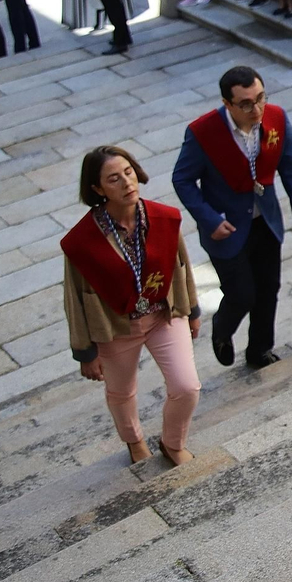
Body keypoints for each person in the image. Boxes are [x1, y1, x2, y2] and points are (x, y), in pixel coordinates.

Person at [62, 145, 202, 467]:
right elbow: (74, 296)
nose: (127, 183)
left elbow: (183, 264)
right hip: (116, 327)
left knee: (187, 385)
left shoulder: (164, 218)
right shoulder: (81, 242)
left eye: (128, 173)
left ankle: (172, 442)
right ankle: (134, 440)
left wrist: (191, 310)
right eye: (114, 179)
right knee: (122, 392)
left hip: (162, 315)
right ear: (97, 189)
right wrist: (85, 351)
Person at [171, 65, 292, 370]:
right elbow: (182, 180)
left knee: (268, 288)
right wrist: (209, 219)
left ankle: (260, 349)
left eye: (261, 98)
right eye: (246, 104)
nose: (256, 108)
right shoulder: (202, 132)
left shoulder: (276, 117)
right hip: (226, 224)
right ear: (228, 104)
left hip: (266, 219)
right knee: (241, 293)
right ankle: (222, 328)